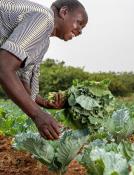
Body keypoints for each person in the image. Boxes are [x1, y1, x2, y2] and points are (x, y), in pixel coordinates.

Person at [0, 0, 88, 140]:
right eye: (79, 22)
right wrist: (37, 114)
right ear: (64, 12)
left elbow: (22, 82)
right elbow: (4, 67)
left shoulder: (43, 42)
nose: (80, 31)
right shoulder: (44, 17)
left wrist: (44, 103)